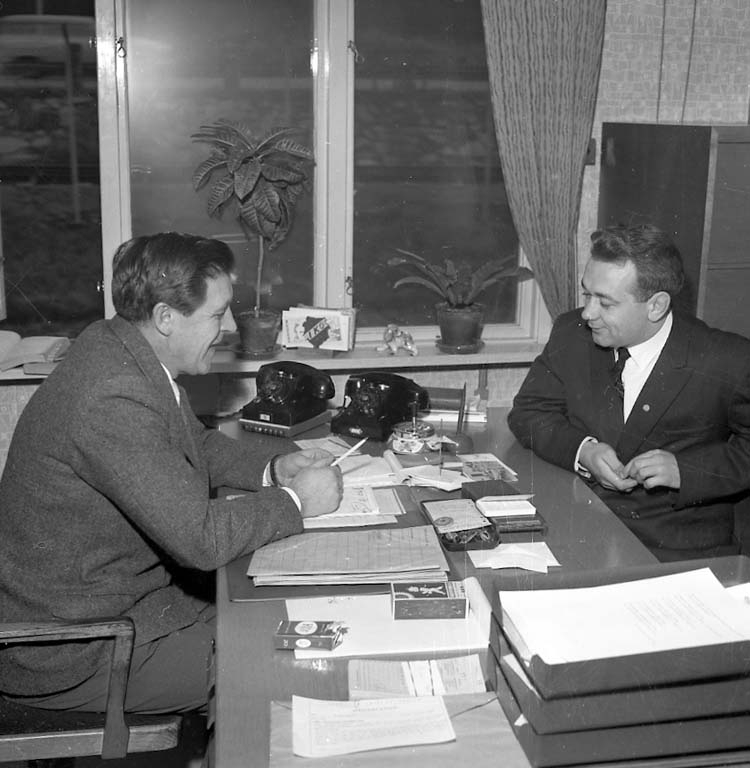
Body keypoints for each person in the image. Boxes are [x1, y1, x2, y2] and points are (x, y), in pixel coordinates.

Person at [0, 232, 343, 714]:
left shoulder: (122, 349)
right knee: (280, 665)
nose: (228, 328)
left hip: (121, 603)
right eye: (217, 315)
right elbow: (200, 540)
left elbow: (192, 443)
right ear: (165, 318)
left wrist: (273, 468)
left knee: (279, 616)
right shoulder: (113, 395)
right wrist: (297, 501)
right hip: (76, 648)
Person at [508, 223, 750, 562]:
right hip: (580, 531)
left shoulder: (727, 359)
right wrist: (583, 451)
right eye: (587, 295)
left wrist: (686, 471)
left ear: (656, 306)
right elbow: (529, 412)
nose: (588, 313)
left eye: (605, 303)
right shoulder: (571, 333)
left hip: (679, 551)